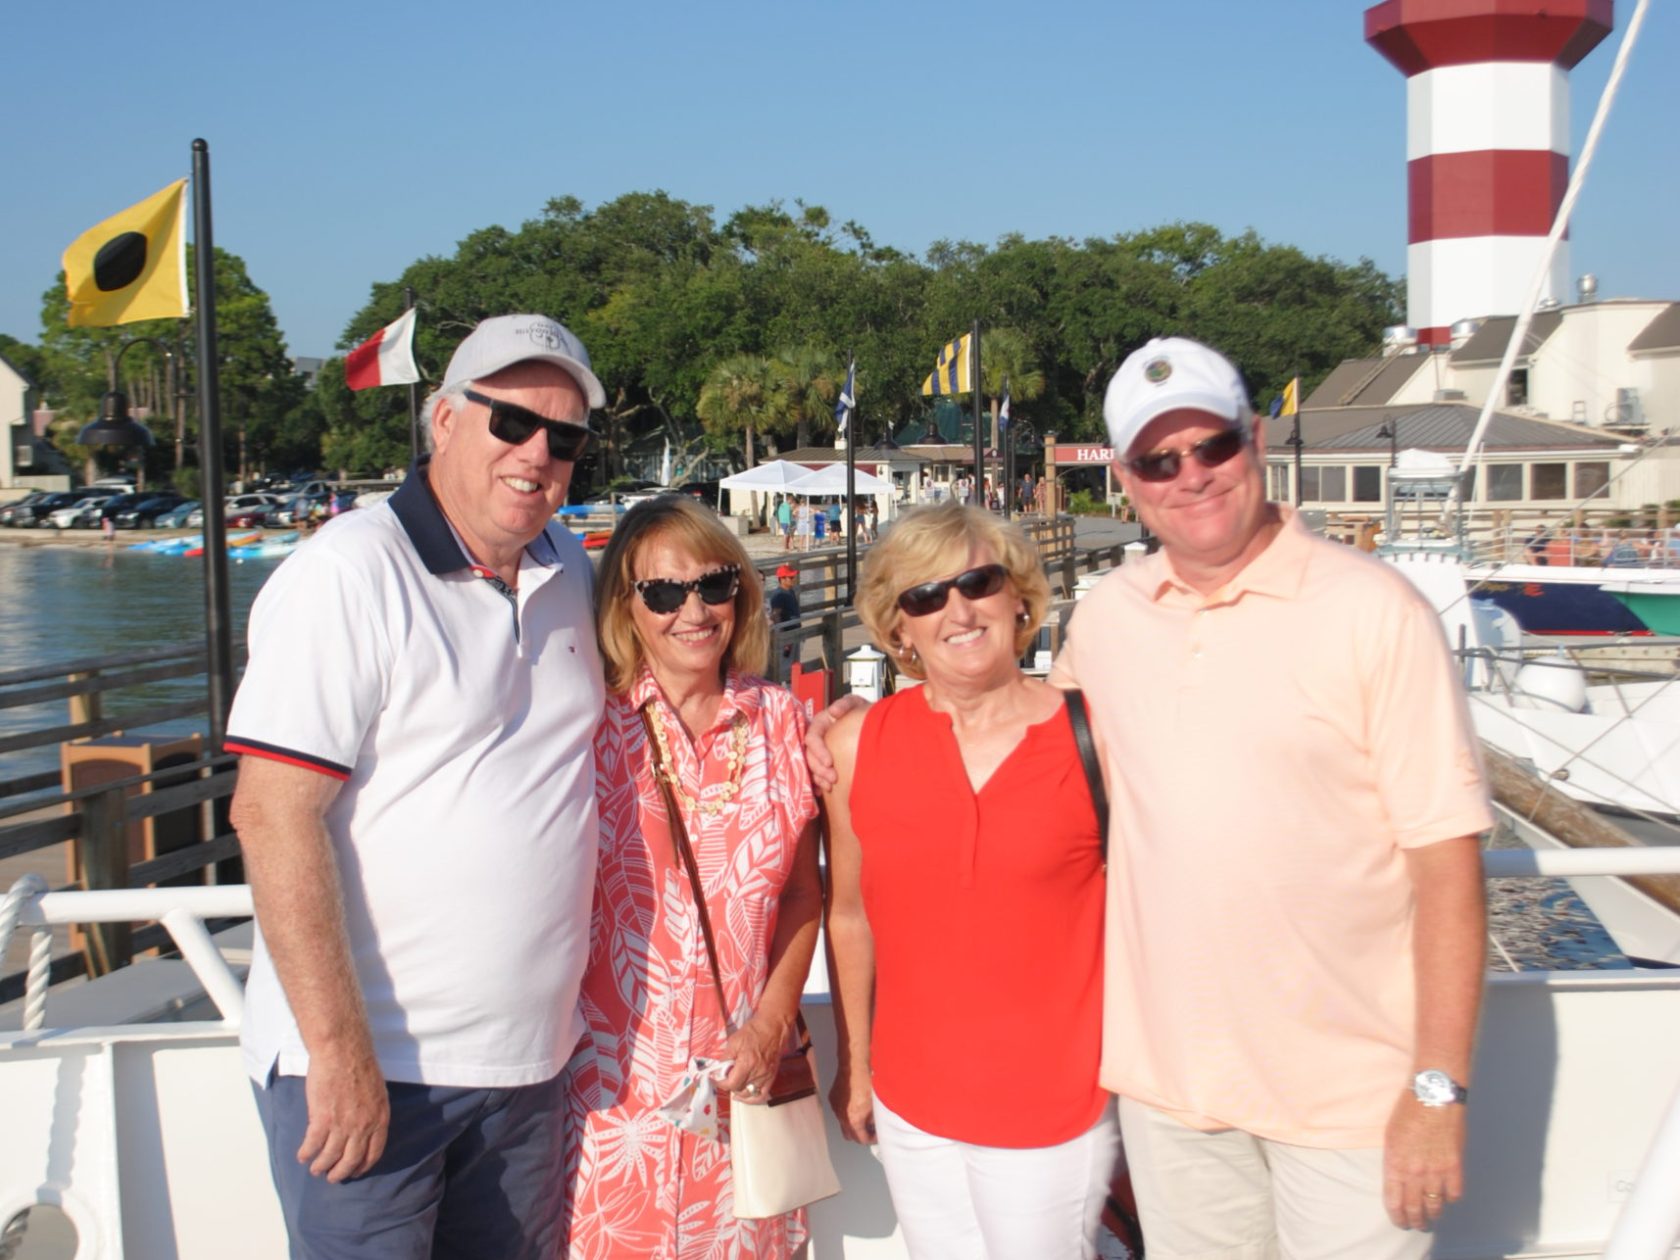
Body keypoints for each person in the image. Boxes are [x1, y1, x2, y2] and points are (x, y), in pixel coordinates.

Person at [1055, 337, 1491, 1258]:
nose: (1191, 476)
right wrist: (851, 724)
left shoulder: (1377, 612)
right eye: (1158, 461)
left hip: (1351, 1102)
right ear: (1127, 482)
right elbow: (1012, 741)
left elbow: (1450, 872)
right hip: (1172, 1096)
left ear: (1254, 440)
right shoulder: (1103, 621)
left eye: (1211, 446)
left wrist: (1438, 1090)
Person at [225, 313, 608, 1259]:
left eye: (563, 437)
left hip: (528, 1070)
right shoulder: (348, 574)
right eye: (510, 423)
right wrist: (339, 1054)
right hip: (374, 1073)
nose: (537, 455)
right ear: (442, 421)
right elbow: (271, 814)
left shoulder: (570, 570)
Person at [823, 503, 1117, 1260]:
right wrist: (857, 1065)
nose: (956, 609)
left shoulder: (1097, 737)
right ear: (898, 630)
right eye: (924, 596)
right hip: (913, 1105)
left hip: (1054, 1106)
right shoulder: (858, 743)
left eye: (978, 582)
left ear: (1018, 597)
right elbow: (849, 915)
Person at [562, 495, 823, 1258]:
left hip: (743, 1090)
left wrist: (772, 1026)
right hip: (607, 1107)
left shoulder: (785, 723)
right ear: (626, 604)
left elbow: (805, 893)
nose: (693, 611)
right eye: (664, 592)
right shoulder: (584, 726)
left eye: (713, 585)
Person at [769, 562, 801, 668]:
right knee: (785, 665)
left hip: (795, 631)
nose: (793, 579)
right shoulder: (778, 595)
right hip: (786, 634)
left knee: (795, 663)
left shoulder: (790, 591)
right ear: (782, 579)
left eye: (793, 577)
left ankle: (793, 683)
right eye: (790, 577)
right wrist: (783, 638)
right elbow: (776, 617)